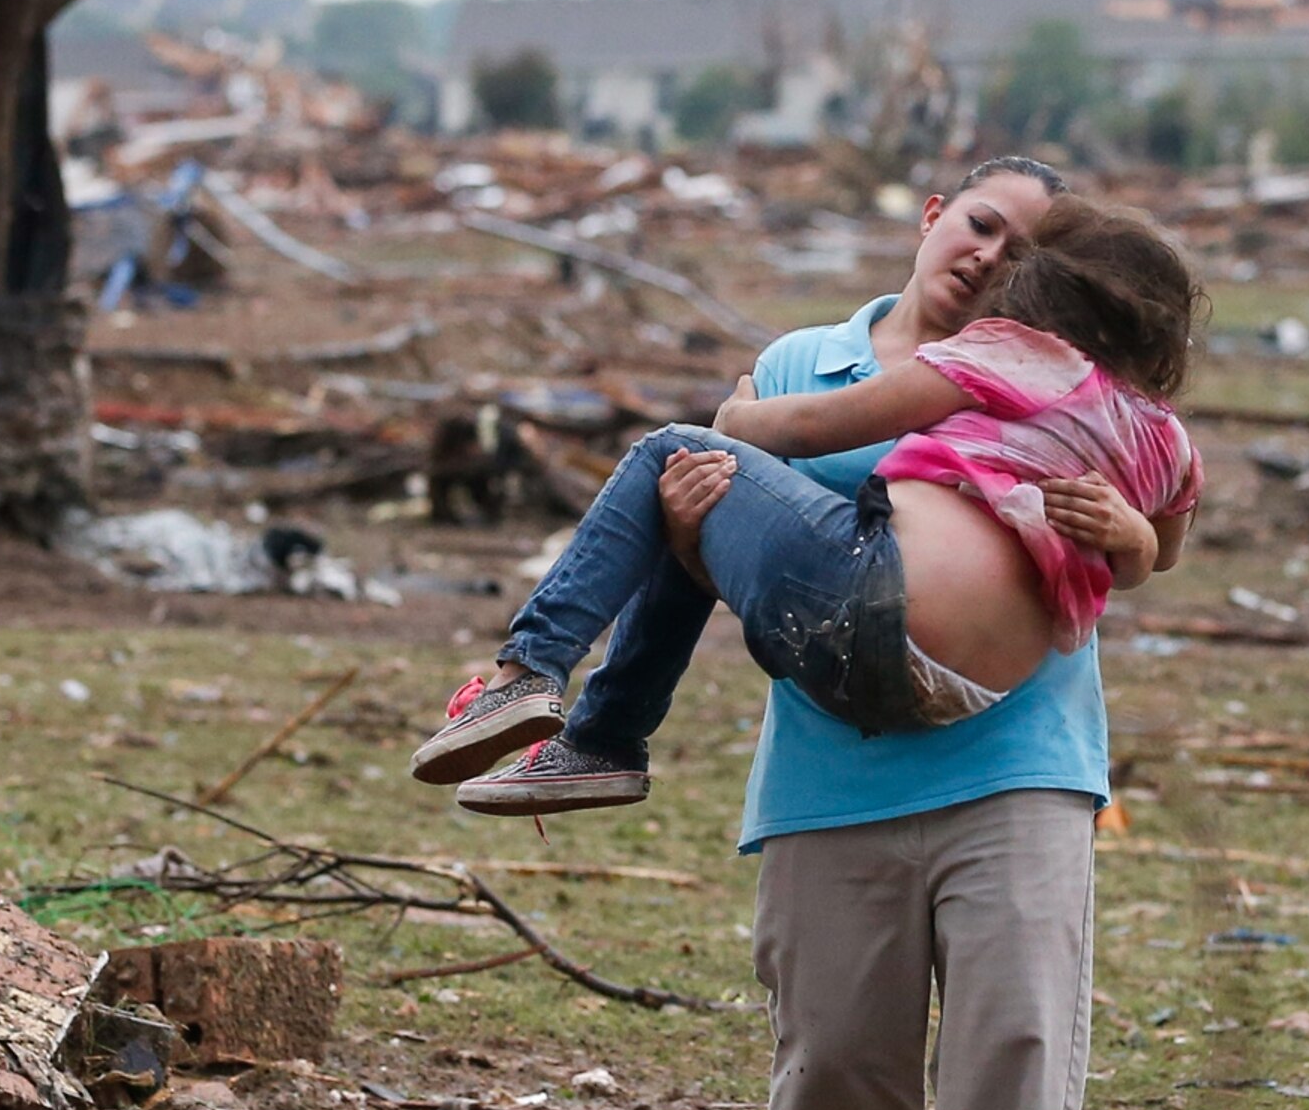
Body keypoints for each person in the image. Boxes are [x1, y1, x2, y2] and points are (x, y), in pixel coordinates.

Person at [447, 156, 1166, 1110]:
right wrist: (685, 523)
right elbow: (751, 556)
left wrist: (1135, 530)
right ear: (933, 212)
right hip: (832, 778)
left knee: (1018, 1041)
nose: (993, 256)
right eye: (981, 224)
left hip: (1022, 767)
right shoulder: (799, 369)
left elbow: (1155, 528)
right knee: (835, 1062)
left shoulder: (1071, 383)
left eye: (1027, 249)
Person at [409, 194, 1201, 796]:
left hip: (873, 606)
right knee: (698, 493)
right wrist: (1130, 534)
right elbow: (1162, 553)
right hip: (958, 694)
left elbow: (820, 425)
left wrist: (734, 418)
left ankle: (535, 678)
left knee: (673, 458)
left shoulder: (1013, 351)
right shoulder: (1167, 437)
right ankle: (600, 739)